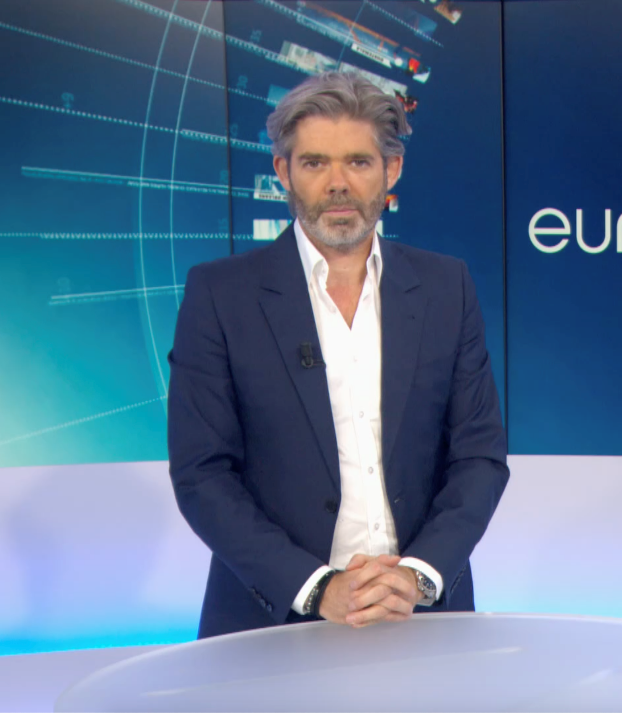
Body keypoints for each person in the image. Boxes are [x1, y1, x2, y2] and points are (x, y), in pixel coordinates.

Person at [167, 72, 508, 638]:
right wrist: (318, 588)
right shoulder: (220, 295)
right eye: (314, 163)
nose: (337, 184)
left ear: (391, 170)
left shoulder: (447, 287)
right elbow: (202, 474)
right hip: (271, 625)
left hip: (421, 620)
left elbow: (480, 456)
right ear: (283, 172)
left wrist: (418, 577)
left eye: (358, 162)